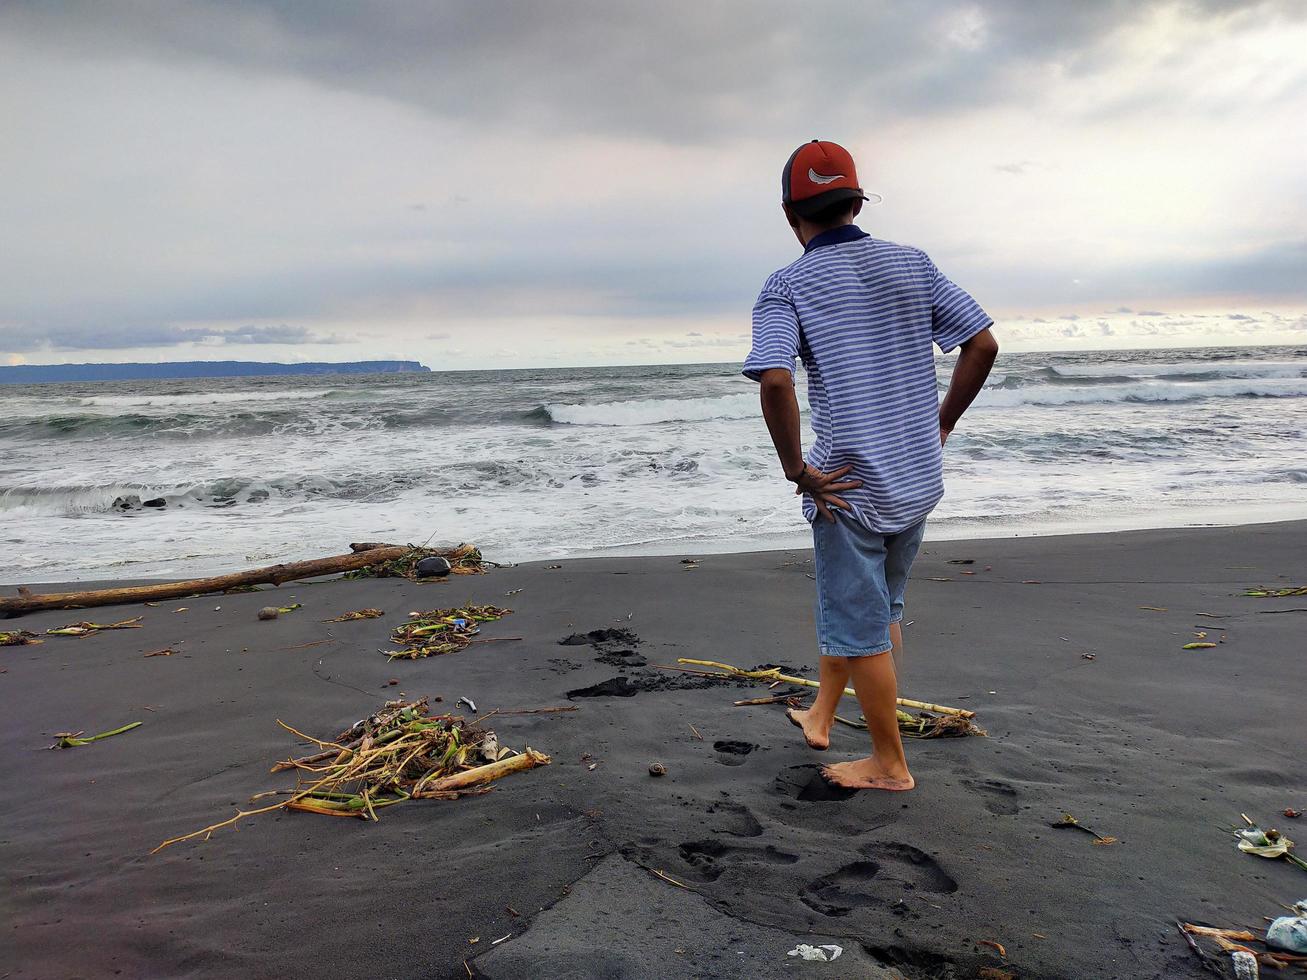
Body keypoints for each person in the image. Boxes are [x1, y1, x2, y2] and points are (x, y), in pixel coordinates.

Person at [743, 139, 998, 791]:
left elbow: (775, 382)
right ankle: (823, 714)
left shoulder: (787, 285)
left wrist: (795, 469)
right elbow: (981, 342)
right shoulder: (911, 265)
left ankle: (889, 764)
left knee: (861, 623)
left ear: (787, 212)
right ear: (856, 202)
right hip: (914, 478)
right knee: (871, 605)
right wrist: (939, 422)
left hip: (848, 487)